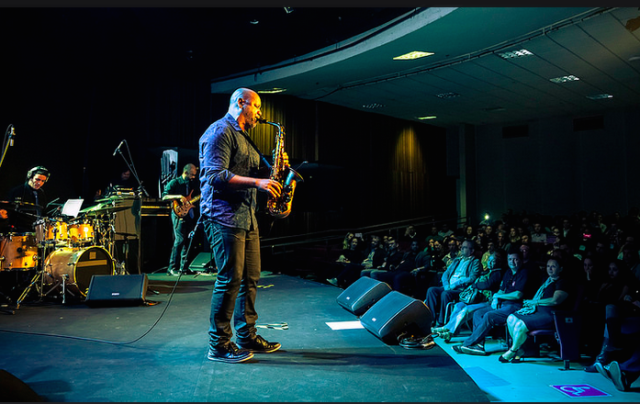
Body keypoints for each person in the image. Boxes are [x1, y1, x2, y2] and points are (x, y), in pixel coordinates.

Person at [199, 87, 285, 363]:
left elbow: (258, 172)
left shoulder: (244, 138)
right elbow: (214, 175)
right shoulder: (219, 132)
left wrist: (275, 169)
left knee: (250, 278)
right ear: (240, 103)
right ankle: (219, 344)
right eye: (257, 107)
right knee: (229, 280)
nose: (260, 113)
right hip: (223, 216)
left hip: (247, 217)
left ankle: (246, 336)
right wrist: (258, 183)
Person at [452, 248, 534, 356]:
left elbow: (518, 294)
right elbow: (501, 290)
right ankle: (479, 346)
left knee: (489, 315)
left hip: (516, 306)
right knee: (478, 313)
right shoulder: (508, 272)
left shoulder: (524, 273)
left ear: (521, 260)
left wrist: (498, 295)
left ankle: (468, 343)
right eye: (510, 259)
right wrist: (495, 298)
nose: (512, 262)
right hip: (503, 304)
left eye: (515, 259)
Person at [499, 257, 572, 362]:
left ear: (560, 269)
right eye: (548, 266)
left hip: (551, 314)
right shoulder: (546, 281)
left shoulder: (563, 282)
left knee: (520, 325)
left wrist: (535, 302)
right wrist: (533, 304)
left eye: (553, 266)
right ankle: (519, 350)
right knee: (511, 318)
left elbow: (555, 301)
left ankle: (512, 350)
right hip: (538, 311)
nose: (550, 269)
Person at [432, 249, 506, 342]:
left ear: (499, 261)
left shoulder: (498, 273)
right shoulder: (488, 272)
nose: (489, 263)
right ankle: (448, 328)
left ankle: (450, 332)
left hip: (488, 302)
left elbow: (488, 285)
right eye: (489, 260)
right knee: (458, 305)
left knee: (466, 310)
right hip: (478, 300)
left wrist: (476, 285)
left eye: (493, 261)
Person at [425, 239, 482, 327]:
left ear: (472, 250)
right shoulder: (457, 260)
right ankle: (430, 319)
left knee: (445, 294)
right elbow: (445, 274)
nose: (462, 249)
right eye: (462, 247)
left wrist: (455, 284)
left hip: (461, 289)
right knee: (431, 290)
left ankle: (442, 322)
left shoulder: (475, 262)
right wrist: (447, 285)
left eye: (465, 247)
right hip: (449, 287)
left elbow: (472, 278)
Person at [162, 163, 199, 276]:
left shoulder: (192, 184)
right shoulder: (175, 182)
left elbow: (193, 199)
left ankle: (184, 268)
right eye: (192, 175)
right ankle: (172, 267)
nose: (193, 177)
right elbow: (164, 196)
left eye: (195, 175)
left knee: (188, 241)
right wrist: (178, 196)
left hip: (189, 214)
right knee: (179, 240)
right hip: (178, 213)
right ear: (185, 172)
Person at [2, 166, 50, 232]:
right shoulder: (17, 191)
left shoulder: (41, 193)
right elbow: (7, 208)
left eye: (43, 181)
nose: (40, 183)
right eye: (37, 179)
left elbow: (43, 211)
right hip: (20, 230)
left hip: (37, 230)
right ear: (30, 177)